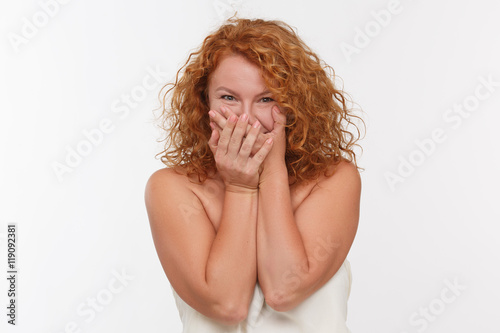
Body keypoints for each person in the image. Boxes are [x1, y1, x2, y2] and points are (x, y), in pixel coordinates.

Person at [145, 17, 364, 332]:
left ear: (292, 105)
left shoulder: (333, 179)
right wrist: (240, 188)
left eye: (266, 99)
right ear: (203, 99)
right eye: (229, 98)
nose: (245, 119)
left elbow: (283, 291)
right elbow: (228, 305)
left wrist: (271, 169)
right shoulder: (172, 188)